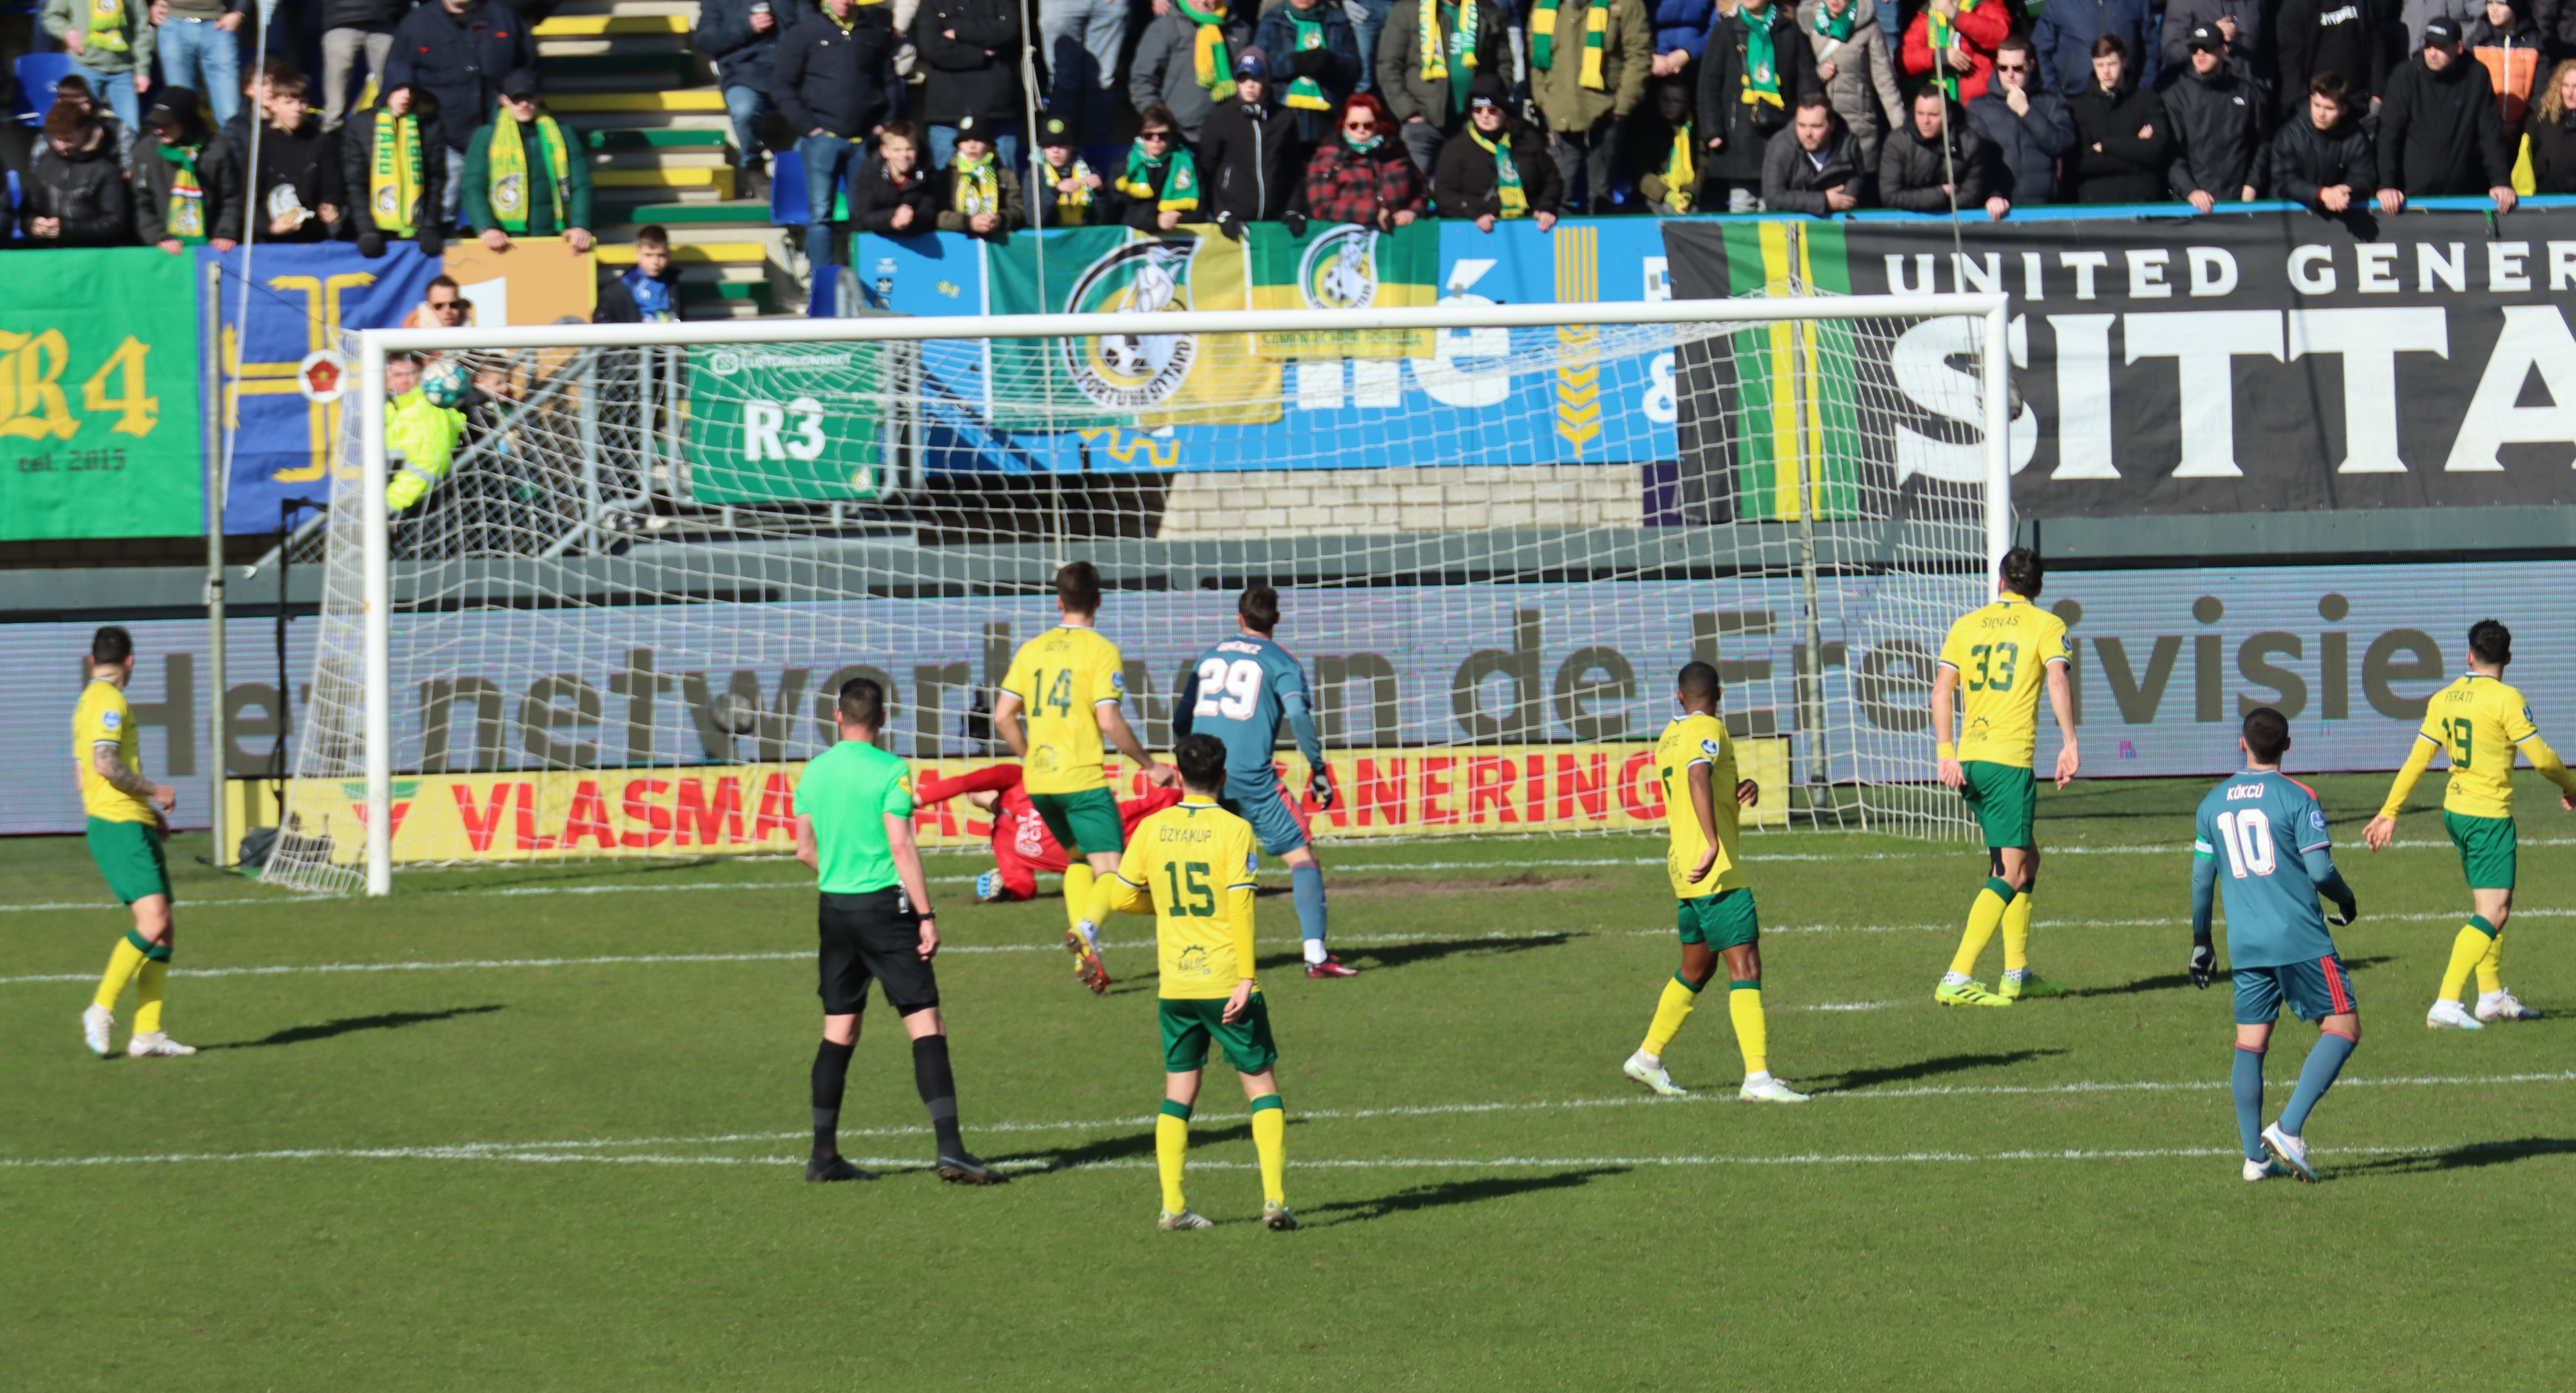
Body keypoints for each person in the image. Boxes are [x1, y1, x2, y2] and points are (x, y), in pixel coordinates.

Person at [1077, 733, 1298, 1232]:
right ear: (1223, 777)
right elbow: (1240, 905)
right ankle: (1275, 1201)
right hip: (1223, 980)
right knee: (1260, 1084)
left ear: (1177, 774)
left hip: (1175, 986)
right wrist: (1247, 977)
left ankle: (1173, 1207)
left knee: (1179, 1091)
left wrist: (1161, 905)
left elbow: (1123, 895)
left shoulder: (1153, 828)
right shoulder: (1235, 829)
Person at [790, 677, 1007, 1186]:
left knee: (839, 1028)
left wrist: (839, 877)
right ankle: (951, 1149)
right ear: (883, 721)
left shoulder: (814, 772)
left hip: (834, 908)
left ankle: (823, 1156)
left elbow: (802, 849)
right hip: (885, 909)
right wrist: (926, 915)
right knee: (925, 1023)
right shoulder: (891, 769)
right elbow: (902, 846)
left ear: (838, 717)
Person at [2362, 620, 2573, 1028]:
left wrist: (2390, 811)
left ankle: (2490, 997)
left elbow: (2418, 760)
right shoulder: (2507, 699)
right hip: (2487, 815)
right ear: (2509, 659)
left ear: (2468, 655)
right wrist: (2572, 785)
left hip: (2456, 812)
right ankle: (2446, 1002)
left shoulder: (2445, 697)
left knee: (2489, 907)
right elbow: (2543, 758)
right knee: (2493, 912)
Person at [2189, 708, 2363, 1184]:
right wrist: (2346, 901)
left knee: (2251, 1042)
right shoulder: (2298, 797)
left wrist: (2202, 941)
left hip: (2245, 943)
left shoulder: (2212, 803)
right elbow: (2321, 872)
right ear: (2288, 746)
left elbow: (2202, 879)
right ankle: (2287, 1129)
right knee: (2344, 1028)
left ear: (2240, 743)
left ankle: (2254, 1158)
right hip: (2299, 939)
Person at [1621, 661, 1807, 1102]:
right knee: (1746, 967)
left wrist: (1740, 788)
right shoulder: (1710, 730)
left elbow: (1700, 779)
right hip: (1716, 870)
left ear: (1678, 696)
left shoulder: (1669, 735)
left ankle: (1646, 1059)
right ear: (1720, 695)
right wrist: (1711, 842)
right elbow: (1697, 774)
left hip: (1683, 870)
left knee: (1696, 968)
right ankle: (1758, 1080)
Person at [992, 561, 1181, 990]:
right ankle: (1086, 932)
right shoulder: (1101, 651)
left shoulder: (1031, 649)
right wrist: (1151, 766)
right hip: (1080, 781)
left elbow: (1003, 716)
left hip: (1040, 784)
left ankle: (1088, 953)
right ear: (1099, 601)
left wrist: (1031, 758)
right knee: (1111, 872)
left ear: (1058, 602)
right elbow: (1109, 720)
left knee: (1077, 860)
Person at [1170, 585, 1357, 980]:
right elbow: (1299, 716)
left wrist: (1188, 760)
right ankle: (1316, 956)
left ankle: (1206, 955)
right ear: (1277, 619)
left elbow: (1181, 719)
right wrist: (1318, 767)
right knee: (1302, 859)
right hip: (1251, 778)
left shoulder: (1208, 657)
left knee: (1215, 867)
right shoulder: (1282, 661)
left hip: (1204, 773)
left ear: (1239, 619)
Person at [1929, 546, 2078, 1007]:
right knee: (2009, 872)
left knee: (2026, 859)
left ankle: (2017, 973)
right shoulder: (2047, 625)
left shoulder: (1966, 624)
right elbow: (2056, 679)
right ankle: (1957, 977)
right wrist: (2070, 743)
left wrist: (1946, 754)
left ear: (2000, 581)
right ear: (2038, 587)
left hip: (1971, 761)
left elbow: (1940, 691)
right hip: (2008, 763)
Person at [76, 627, 190, 1060]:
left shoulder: (85, 703)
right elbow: (105, 765)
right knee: (154, 922)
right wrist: (155, 792)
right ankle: (101, 1009)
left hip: (126, 820)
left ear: (92, 660)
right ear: (130, 661)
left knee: (163, 931)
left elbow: (83, 774)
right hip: (119, 824)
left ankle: (147, 1034)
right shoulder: (109, 701)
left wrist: (147, 812)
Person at [915, 764, 1182, 904]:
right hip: (1114, 864)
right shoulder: (1002, 843)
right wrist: (1004, 893)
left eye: (979, 789)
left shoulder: (1017, 780)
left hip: (1121, 822)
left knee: (1193, 800)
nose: (975, 793)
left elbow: (963, 783)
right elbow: (1024, 887)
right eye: (974, 796)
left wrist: (917, 798)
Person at [773, 0, 901, 270]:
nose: (846, 1)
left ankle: (863, 276)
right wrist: (809, 127)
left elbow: (889, 81)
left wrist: (883, 124)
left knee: (863, 213)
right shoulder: (804, 32)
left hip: (866, 141)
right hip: (821, 141)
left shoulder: (874, 31)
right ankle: (824, 281)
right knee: (820, 215)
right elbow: (783, 85)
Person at [386, 0, 540, 222]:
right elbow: (397, 76)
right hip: (442, 137)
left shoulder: (505, 18)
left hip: (499, 135)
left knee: (508, 210)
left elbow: (528, 68)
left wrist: (521, 95)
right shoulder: (416, 24)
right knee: (440, 214)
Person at [2376, 16, 2518, 211]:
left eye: (2441, 47)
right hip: (2410, 195)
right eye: (2428, 46)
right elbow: (2389, 134)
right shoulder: (2406, 75)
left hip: (2461, 193)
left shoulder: (2476, 75)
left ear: (2459, 48)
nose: (2433, 53)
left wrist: (2501, 181)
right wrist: (2387, 184)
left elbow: (2490, 133)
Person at [1529, 0, 1652, 211]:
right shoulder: (1544, 6)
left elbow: (1639, 56)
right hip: (1560, 113)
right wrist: (1543, 99)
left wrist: (1622, 107)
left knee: (1602, 196)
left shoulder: (1626, 4)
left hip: (1607, 113)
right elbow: (1537, 60)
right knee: (1558, 196)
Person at [1699, 0, 1817, 213]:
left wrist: (1808, 128)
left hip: (1781, 131)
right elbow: (1708, 84)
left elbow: (1807, 85)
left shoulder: (1790, 30)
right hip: (1737, 135)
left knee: (1773, 203)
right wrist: (1712, 130)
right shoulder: (1726, 30)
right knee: (1742, 200)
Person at [462, 72, 595, 252]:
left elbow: (581, 184)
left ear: (540, 98)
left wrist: (580, 225)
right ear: (504, 100)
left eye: (529, 97)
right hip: (504, 240)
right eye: (517, 98)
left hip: (554, 237)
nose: (524, 104)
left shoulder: (564, 133)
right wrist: (487, 227)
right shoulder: (486, 136)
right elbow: (473, 187)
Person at [1378, 0, 1510, 176]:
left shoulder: (1487, 10)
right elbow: (1388, 65)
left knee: (1474, 185)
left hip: (1475, 120)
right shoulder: (1407, 10)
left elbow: (1504, 64)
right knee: (1415, 187)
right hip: (1422, 121)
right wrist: (1408, 111)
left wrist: (1494, 103)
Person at [222, 70, 345, 244]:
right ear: (273, 104)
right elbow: (248, 196)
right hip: (269, 242)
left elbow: (331, 185)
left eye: (302, 102)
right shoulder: (260, 143)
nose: (297, 109)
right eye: (289, 102)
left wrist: (330, 205)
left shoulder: (319, 140)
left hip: (312, 237)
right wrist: (269, 226)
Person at [1435, 72, 1566, 225]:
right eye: (1478, 110)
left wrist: (1546, 207)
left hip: (1529, 224)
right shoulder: (1457, 147)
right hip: (1479, 228)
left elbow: (1553, 180)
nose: (1484, 116)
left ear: (1504, 111)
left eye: (1492, 110)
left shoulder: (1528, 139)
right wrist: (1472, 210)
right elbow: (1443, 193)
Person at [1968, 34, 2077, 206]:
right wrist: (1992, 194)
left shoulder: (2052, 101)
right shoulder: (1979, 107)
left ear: (2031, 66)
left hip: (2046, 205)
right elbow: (1977, 158)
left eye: (2017, 68)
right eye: (2003, 68)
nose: (2009, 74)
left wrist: (2026, 111)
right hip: (1998, 206)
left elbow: (2062, 144)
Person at [2163, 25, 2263, 211]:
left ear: (2223, 50)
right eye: (2194, 49)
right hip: (2193, 205)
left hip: (2239, 202)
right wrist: (2191, 191)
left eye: (2207, 48)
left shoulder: (2247, 92)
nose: (2200, 54)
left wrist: (2252, 184)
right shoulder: (2175, 97)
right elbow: (2171, 153)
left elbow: (2262, 143)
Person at [1199, 52, 1301, 233]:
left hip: (1276, 221)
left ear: (1267, 80)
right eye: (1243, 79)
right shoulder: (1219, 117)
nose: (1250, 85)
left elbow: (1295, 170)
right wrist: (1220, 211)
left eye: (1256, 78)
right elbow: (1206, 171)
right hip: (1234, 220)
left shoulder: (1284, 118)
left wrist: (1294, 209)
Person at [916, 0, 1022, 169]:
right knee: (946, 187)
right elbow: (932, 47)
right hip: (948, 111)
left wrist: (958, 31)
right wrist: (983, 53)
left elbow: (1010, 32)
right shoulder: (932, 3)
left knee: (1006, 188)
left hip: (998, 108)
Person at [345, 83, 447, 258]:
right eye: (399, 89)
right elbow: (355, 184)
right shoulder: (360, 124)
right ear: (386, 91)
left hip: (416, 231)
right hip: (373, 231)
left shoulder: (430, 125)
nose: (406, 96)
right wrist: (367, 230)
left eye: (411, 90)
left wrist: (430, 226)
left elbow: (436, 181)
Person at [2065, 35, 2171, 201]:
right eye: (2100, 65)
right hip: (2096, 202)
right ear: (2093, 64)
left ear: (2125, 61)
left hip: (2143, 199)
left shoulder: (2148, 100)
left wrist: (2106, 145)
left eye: (2112, 64)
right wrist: (2136, 148)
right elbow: (2081, 162)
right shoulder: (2078, 106)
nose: (2106, 71)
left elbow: (2157, 151)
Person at [696, 0, 783, 199]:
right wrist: (747, 27)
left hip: (789, 70)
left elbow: (806, 24)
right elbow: (705, 39)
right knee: (744, 110)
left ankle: (802, 170)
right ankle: (754, 164)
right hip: (743, 72)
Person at [1131, 0, 1254, 140]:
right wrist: (1158, 121)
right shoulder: (1165, 28)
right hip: (1178, 134)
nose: (1204, 1)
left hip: (1228, 133)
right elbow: (1142, 80)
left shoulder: (1240, 30)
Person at [134, 89, 237, 253]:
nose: (158, 130)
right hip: (162, 248)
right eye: (156, 124)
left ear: (186, 122)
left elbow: (231, 198)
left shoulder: (216, 150)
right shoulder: (146, 151)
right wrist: (159, 236)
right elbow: (141, 202)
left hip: (211, 245)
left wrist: (225, 233)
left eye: (166, 124)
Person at [1304, 89, 1428, 224]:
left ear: (1377, 125)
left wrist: (1413, 210)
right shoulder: (1328, 158)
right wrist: (1372, 212)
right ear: (1344, 125)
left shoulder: (1396, 151)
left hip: (1398, 235)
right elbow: (1322, 207)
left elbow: (1421, 188)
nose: (1361, 130)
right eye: (1353, 126)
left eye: (1368, 125)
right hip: (1350, 236)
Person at [1797, 0, 1903, 158]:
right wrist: (1818, 72)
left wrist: (1901, 130)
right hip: (1819, 131)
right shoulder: (1809, 23)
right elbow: (1799, 71)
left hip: (1859, 128)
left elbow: (1885, 83)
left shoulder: (1869, 26)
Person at [19, 101, 133, 246]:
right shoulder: (45, 164)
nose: (60, 146)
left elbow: (115, 222)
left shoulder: (106, 170)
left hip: (93, 253)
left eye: (68, 140)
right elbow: (28, 210)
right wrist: (33, 225)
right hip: (50, 252)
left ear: (85, 131)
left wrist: (67, 229)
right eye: (56, 139)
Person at [1878, 85, 2002, 215]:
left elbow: (1971, 197)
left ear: (1948, 116)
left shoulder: (1970, 143)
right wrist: (1942, 193)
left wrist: (1917, 199)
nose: (1925, 121)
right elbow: (1890, 196)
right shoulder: (1897, 141)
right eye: (1920, 113)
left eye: (1933, 115)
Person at [1255, 0, 1364, 146]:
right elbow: (1259, 67)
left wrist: (1331, 63)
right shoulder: (1273, 20)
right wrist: (1294, 63)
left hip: (1327, 117)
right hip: (1281, 115)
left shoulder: (1339, 20)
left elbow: (1355, 70)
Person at [41, 0, 155, 136]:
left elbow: (141, 28)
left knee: (131, 131)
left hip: (123, 70)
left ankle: (126, 157)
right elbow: (51, 16)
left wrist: (142, 69)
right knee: (77, 126)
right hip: (86, 66)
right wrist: (67, 31)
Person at [2270, 71, 2377, 213]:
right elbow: (2284, 178)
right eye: (2317, 105)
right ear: (2310, 100)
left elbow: (2364, 176)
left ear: (2344, 110)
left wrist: (2344, 192)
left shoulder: (2357, 137)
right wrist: (2320, 194)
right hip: (2292, 214)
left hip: (2340, 211)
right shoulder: (2290, 134)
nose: (2321, 114)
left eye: (2329, 108)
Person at [2277, 0, 2399, 121]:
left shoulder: (2365, 3)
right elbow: (2291, 64)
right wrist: (2305, 107)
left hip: (2357, 102)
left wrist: (2377, 94)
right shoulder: (2296, 6)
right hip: (2317, 106)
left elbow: (2378, 46)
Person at [384, 352, 468, 511]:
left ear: (424, 373)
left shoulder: (427, 409)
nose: (405, 380)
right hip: (403, 500)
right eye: (397, 375)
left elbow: (427, 467)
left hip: (419, 508)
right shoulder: (393, 408)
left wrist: (388, 506)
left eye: (412, 373)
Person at [1761, 89, 1866, 211]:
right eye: (1802, 125)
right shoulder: (1781, 145)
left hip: (1837, 224)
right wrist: (1824, 201)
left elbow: (1851, 195)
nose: (1808, 133)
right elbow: (1773, 198)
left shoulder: (1848, 146)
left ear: (1832, 125)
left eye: (1816, 126)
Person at [1038, 0, 1128, 141]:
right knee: (1063, 80)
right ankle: (1059, 149)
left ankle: (1100, 155)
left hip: (1107, 5)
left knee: (1103, 82)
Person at [154, 0, 248, 127]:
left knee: (229, 111)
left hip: (220, 23)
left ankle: (233, 146)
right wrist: (151, 4)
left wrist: (239, 12)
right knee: (179, 107)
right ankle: (186, 147)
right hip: (172, 21)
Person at [2034, 0, 2156, 96]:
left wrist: (2143, 89)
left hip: (2128, 97)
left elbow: (2153, 48)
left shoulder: (2137, 2)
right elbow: (2040, 50)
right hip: (2075, 98)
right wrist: (2054, 93)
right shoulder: (2058, 3)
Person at [317, 0, 407, 132]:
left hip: (385, 17)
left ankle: (398, 137)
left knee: (394, 88)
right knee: (335, 101)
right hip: (343, 18)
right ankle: (331, 137)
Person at [1111, 103, 1203, 229]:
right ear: (1140, 136)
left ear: (1171, 136)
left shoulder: (1189, 165)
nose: (1156, 140)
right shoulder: (1124, 169)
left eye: (1163, 135)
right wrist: (1156, 221)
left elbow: (1200, 211)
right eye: (1148, 135)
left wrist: (1172, 219)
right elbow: (1119, 213)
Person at [1900, 0, 2011, 104]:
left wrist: (1956, 16)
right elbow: (1903, 61)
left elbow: (2001, 36)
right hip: (1940, 107)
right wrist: (1940, 56)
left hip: (1980, 102)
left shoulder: (1985, 3)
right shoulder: (1928, 12)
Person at [933, 113, 1025, 238]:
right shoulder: (946, 175)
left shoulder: (1004, 174)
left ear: (989, 145)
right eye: (965, 141)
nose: (972, 146)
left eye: (978, 140)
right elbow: (937, 215)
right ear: (958, 146)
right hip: (958, 241)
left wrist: (1000, 219)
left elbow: (1019, 210)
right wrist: (968, 222)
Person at [2468, 0, 2543, 140]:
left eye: (2501, 3)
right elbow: (2469, 91)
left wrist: (2522, 125)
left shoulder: (2535, 43)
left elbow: (2541, 91)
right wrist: (2494, 124)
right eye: (2490, 2)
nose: (2494, 9)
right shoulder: (2476, 41)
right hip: (2482, 134)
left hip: (2522, 132)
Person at [847, 121, 938, 233]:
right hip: (873, 240)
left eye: (909, 149)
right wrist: (893, 217)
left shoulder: (928, 173)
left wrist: (910, 219)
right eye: (897, 150)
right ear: (885, 151)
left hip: (915, 237)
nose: (904, 155)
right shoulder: (868, 172)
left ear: (917, 149)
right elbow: (863, 215)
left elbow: (928, 214)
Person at [1629, 79, 1700, 211]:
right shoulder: (1644, 128)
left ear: (1686, 104)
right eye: (1665, 99)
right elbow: (1640, 170)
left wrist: (1690, 193)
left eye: (1676, 101)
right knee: (1669, 210)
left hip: (1685, 191)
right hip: (1655, 193)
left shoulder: (1694, 130)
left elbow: (1701, 167)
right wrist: (1667, 195)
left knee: (1690, 212)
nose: (1669, 105)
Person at [596, 223, 686, 321]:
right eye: (649, 255)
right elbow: (602, 322)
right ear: (638, 254)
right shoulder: (621, 287)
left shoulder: (672, 284)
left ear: (668, 254)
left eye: (661, 255)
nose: (655, 262)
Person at [1030, 113, 1105, 225]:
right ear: (1042, 149)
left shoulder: (1090, 171)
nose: (1055, 150)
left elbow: (1105, 220)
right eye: (1049, 145)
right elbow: (1033, 220)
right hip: (1052, 238)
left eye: (1062, 145)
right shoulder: (1034, 175)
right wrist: (1056, 191)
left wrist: (1101, 193)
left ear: (1073, 147)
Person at [2526, 58, 2576, 191]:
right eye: (2566, 86)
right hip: (2547, 201)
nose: (2570, 94)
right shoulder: (2540, 120)